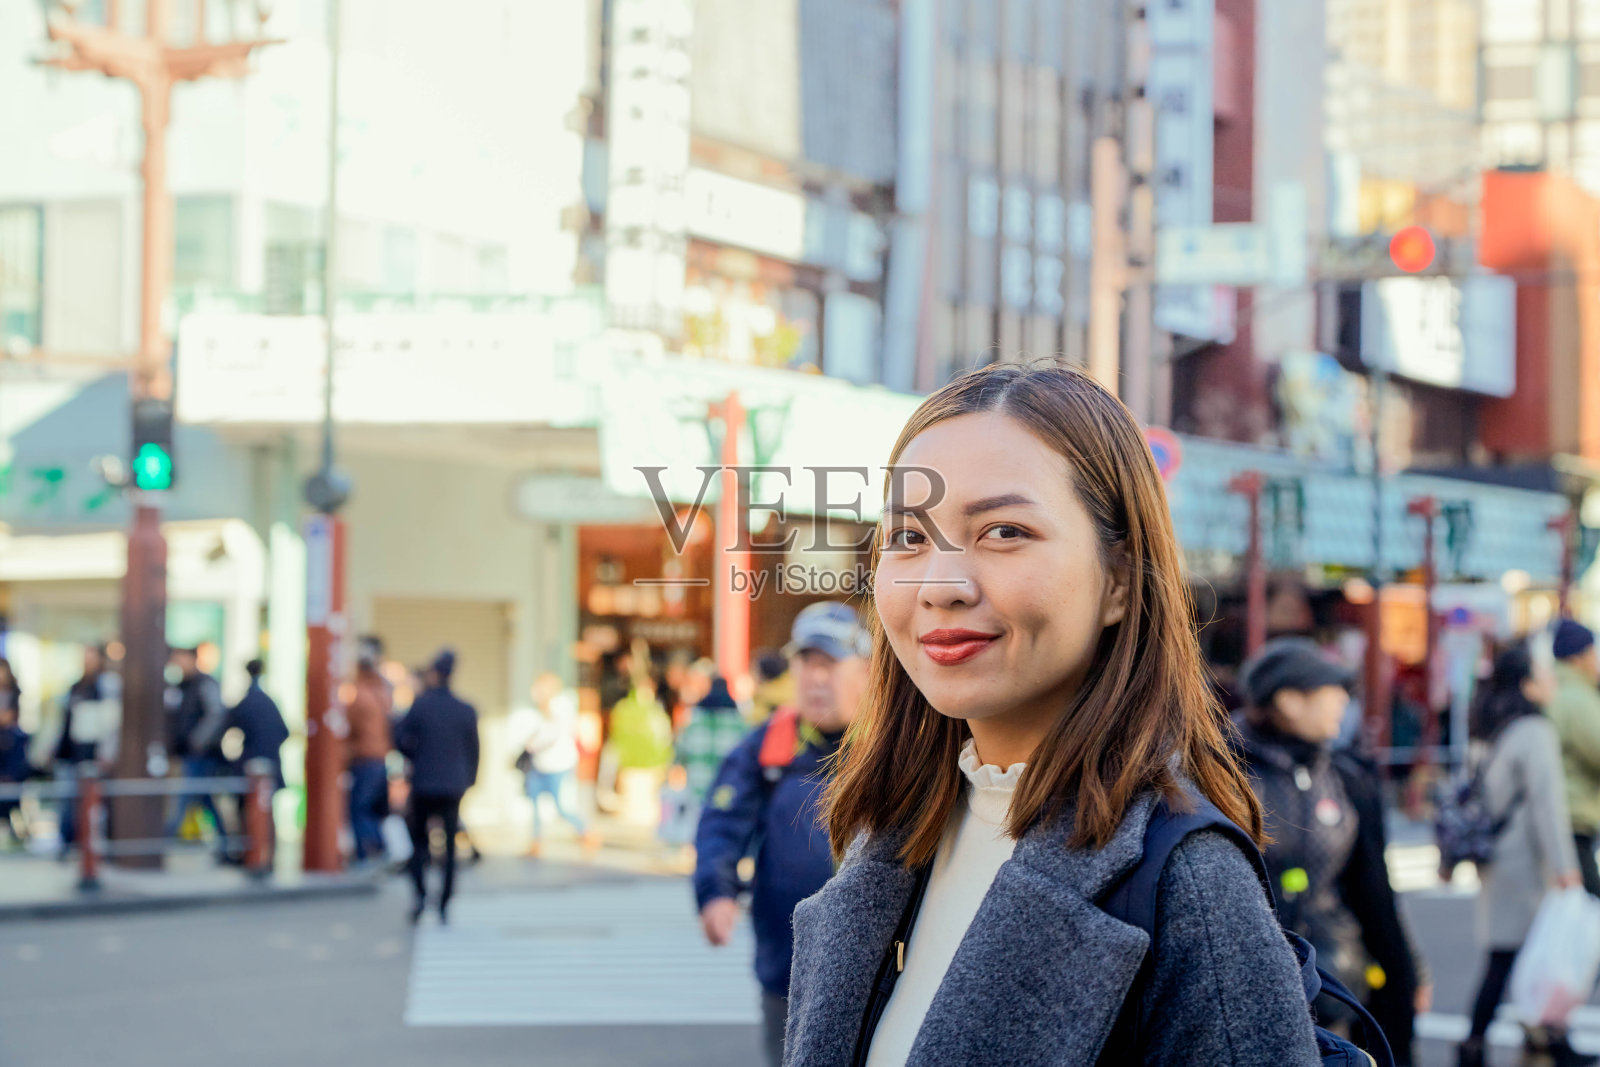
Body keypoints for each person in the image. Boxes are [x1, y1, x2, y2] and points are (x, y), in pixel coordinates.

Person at [784, 364, 1320, 1066]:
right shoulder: (890, 836)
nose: (941, 585)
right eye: (907, 538)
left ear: (1119, 581)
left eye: (1004, 531)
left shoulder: (1189, 881)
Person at [1235, 637, 1430, 1065]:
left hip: (1337, 984)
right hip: (1245, 987)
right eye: (1331, 689)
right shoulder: (1224, 772)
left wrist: (1408, 970)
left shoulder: (1345, 777)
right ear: (1288, 700)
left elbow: (1376, 892)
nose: (1343, 701)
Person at [694, 601, 870, 1067]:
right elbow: (722, 820)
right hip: (785, 967)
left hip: (875, 969)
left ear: (868, 670)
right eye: (806, 663)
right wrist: (716, 890)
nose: (816, 679)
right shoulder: (769, 745)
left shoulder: (891, 748)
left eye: (830, 663)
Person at [1457, 645, 1592, 1067]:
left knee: (1512, 954)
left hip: (1497, 854)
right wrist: (1566, 867)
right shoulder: (1535, 730)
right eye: (1544, 674)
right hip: (1524, 862)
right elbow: (1547, 806)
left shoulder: (1493, 727)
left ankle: (1536, 1039)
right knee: (1524, 955)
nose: (1552, 681)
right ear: (1527, 685)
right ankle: (1495, 1043)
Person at [394, 649, 479, 924]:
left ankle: (421, 896)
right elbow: (474, 750)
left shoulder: (420, 706)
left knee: (419, 843)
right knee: (450, 847)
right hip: (453, 786)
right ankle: (444, 901)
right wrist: (468, 779)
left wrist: (414, 757)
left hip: (423, 784)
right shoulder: (464, 709)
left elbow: (399, 738)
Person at [1545, 618, 1600, 897]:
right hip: (1574, 815)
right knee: (1589, 901)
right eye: (1593, 653)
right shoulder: (1577, 699)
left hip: (1565, 813)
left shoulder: (1559, 690)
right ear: (1578, 657)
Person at [513, 672, 591, 855]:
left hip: (558, 765)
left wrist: (533, 743)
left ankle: (586, 832)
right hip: (539, 765)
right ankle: (536, 843)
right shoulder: (539, 708)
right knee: (534, 803)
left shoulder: (561, 706)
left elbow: (553, 734)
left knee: (560, 806)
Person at [165, 646, 231, 859]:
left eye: (181, 659)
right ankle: (226, 845)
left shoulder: (204, 683)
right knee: (205, 799)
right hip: (188, 753)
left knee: (183, 798)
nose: (178, 664)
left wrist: (197, 741)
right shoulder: (181, 686)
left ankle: (161, 843)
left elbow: (216, 715)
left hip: (202, 755)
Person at [56, 645, 121, 857]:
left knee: (95, 804)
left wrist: (107, 752)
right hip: (73, 753)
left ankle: (94, 849)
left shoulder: (106, 686)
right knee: (69, 801)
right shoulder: (76, 687)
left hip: (94, 754)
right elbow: (65, 722)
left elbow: (111, 722)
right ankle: (68, 842)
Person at [346, 635, 394, 864]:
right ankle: (379, 849)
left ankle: (372, 851)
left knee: (358, 809)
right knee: (372, 808)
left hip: (365, 758)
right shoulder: (383, 692)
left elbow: (350, 726)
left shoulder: (360, 695)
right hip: (380, 758)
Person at [0, 689, 30, 845]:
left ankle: (19, 837)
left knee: (14, 811)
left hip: (13, 783)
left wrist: (10, 776)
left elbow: (20, 762)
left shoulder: (18, 736)